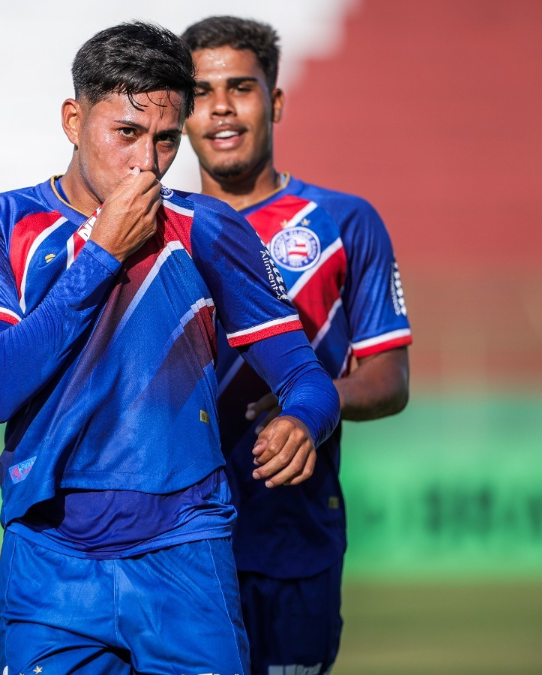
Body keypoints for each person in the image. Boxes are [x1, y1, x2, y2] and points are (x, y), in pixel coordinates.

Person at [0, 21, 340, 675]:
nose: (146, 163)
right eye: (126, 133)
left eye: (164, 140)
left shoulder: (210, 227)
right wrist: (102, 253)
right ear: (74, 120)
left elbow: (306, 374)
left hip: (188, 550)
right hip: (51, 562)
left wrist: (304, 418)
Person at [181, 16, 411, 675]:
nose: (221, 107)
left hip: (293, 536)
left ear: (275, 100)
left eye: (241, 88)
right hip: (174, 545)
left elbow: (390, 376)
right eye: (200, 91)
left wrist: (310, 407)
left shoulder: (345, 223)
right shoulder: (152, 230)